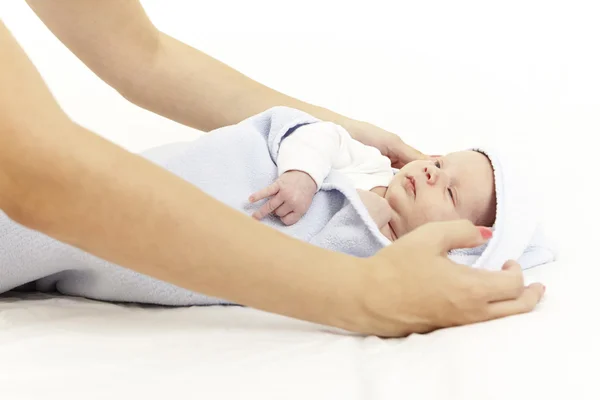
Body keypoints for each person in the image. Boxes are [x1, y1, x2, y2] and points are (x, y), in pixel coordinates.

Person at [0, 1, 544, 338]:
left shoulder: (366, 193)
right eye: (442, 164)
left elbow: (141, 54)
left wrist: (342, 128)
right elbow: (39, 175)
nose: (430, 172)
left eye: (449, 192)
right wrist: (364, 293)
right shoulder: (348, 180)